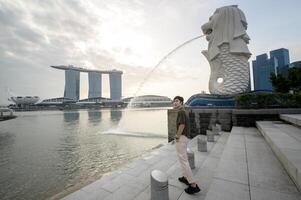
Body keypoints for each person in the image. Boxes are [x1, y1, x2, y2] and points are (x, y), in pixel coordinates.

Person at [173, 96, 201, 194]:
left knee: (183, 160)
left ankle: (193, 185)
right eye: (174, 101)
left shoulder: (181, 112)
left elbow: (182, 125)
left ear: (181, 102)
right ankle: (185, 177)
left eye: (177, 101)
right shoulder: (183, 111)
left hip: (182, 138)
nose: (175, 103)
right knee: (183, 159)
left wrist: (177, 136)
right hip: (185, 137)